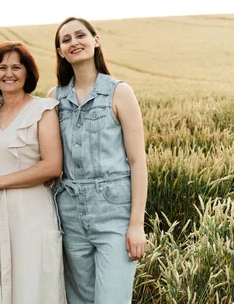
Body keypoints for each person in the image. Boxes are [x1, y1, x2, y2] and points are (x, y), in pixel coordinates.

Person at [48, 17, 148, 303]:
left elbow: (137, 162)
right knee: (79, 299)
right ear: (60, 52)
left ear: (96, 40)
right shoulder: (55, 97)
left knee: (113, 298)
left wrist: (136, 225)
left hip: (113, 213)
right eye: (66, 40)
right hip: (68, 211)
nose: (74, 42)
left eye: (80, 35)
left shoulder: (119, 92)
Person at [0, 42, 66, 303]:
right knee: (0, 283)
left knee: (31, 282)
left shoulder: (43, 109)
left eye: (16, 67)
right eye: (1, 67)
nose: (9, 73)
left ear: (28, 73)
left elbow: (52, 166)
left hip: (32, 210)